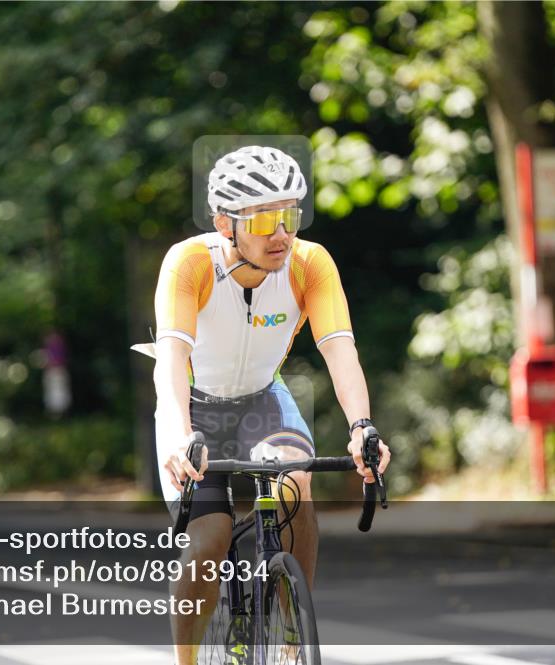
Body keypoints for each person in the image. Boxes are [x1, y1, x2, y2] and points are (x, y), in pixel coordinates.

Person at [152, 145, 390, 664]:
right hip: (193, 410)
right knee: (210, 537)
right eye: (264, 219)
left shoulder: (310, 262)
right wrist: (175, 437)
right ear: (225, 223)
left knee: (295, 483)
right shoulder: (189, 263)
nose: (281, 233)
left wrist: (362, 427)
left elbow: (340, 348)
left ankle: (290, 630)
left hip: (263, 400)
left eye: (290, 215)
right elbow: (169, 361)